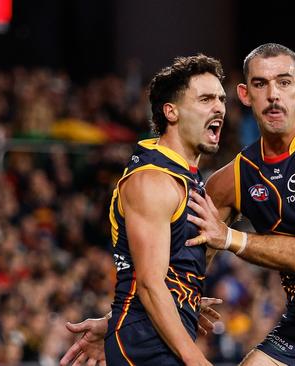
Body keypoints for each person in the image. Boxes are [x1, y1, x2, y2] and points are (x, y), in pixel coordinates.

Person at [62, 44, 295, 366]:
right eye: (261, 84)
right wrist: (119, 323)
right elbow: (174, 266)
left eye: (284, 83)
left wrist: (230, 238)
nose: (273, 94)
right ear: (245, 94)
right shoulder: (233, 178)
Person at [62, 54, 226, 366]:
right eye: (205, 98)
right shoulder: (152, 181)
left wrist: (184, 302)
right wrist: (197, 361)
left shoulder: (184, 177)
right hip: (144, 349)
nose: (218, 107)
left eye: (220, 98)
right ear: (171, 111)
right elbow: (150, 285)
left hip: (153, 339)